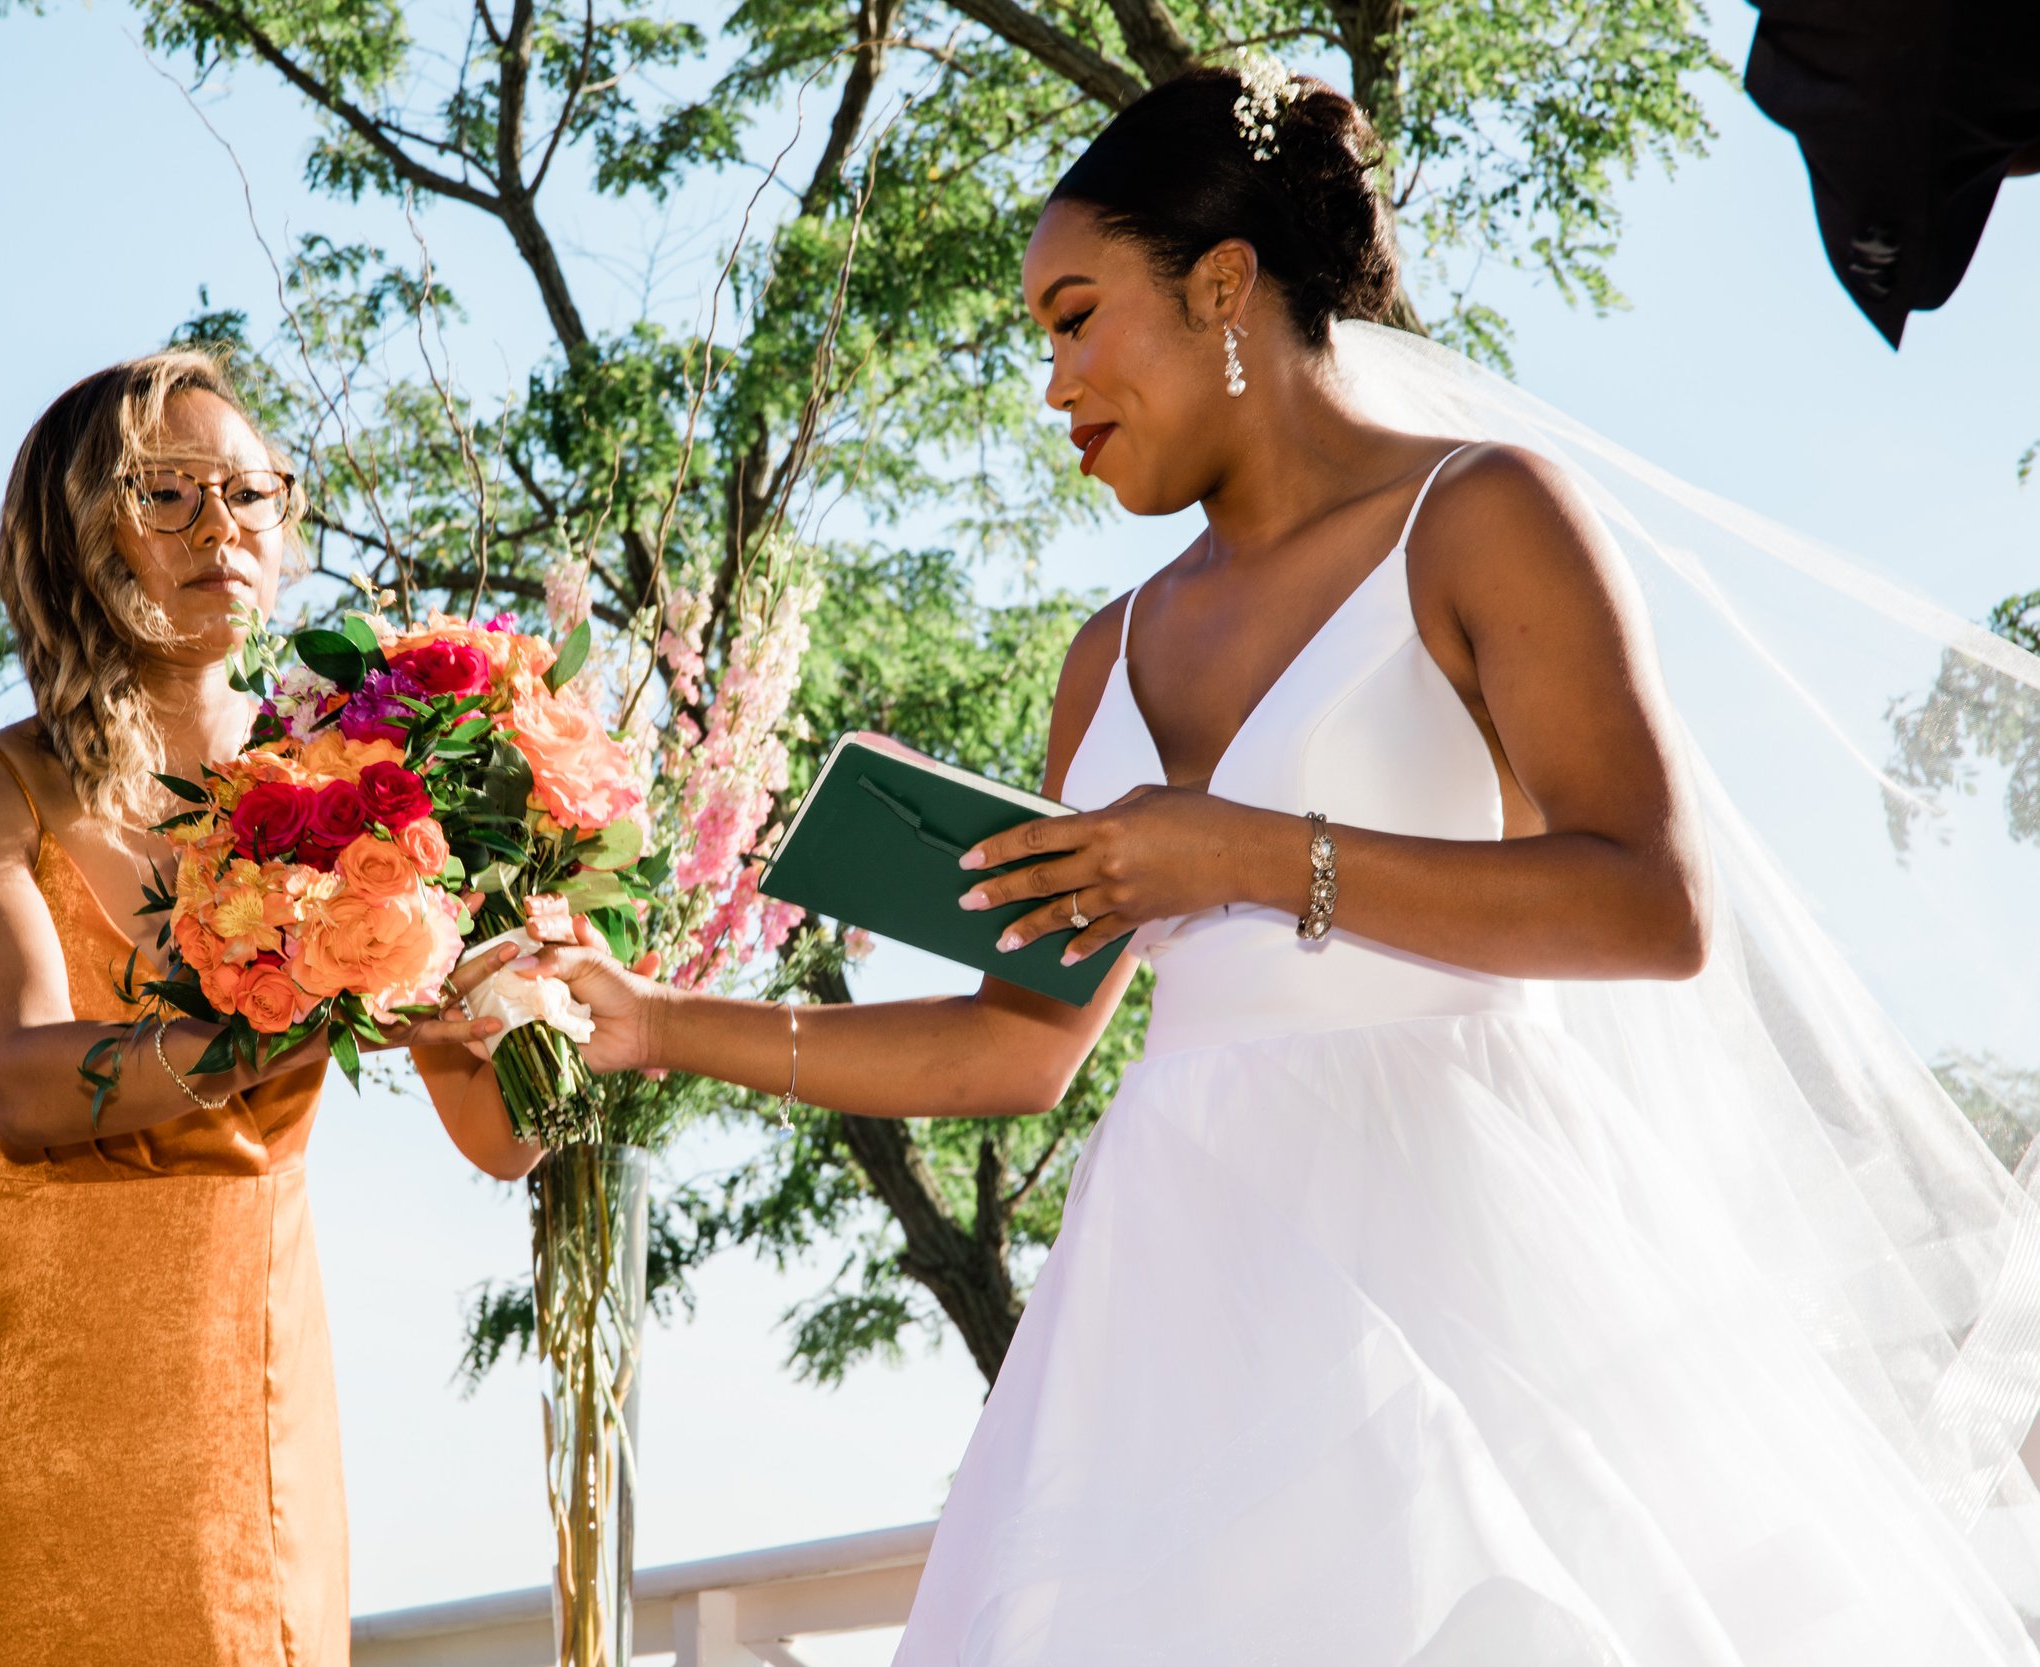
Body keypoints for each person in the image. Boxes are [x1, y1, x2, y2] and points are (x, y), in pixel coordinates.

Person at [517, 68, 2040, 1665]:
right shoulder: (1102, 656)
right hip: (1174, 1301)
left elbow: (1654, 904)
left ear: (1224, 284)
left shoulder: (1479, 516)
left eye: (1079, 315)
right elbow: (1018, 1044)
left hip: (1471, 1253)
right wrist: (655, 1021)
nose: (1056, 383)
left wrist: (1242, 852)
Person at [0, 352, 530, 1666]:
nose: (224, 526)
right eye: (170, 493)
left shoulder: (368, 799)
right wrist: (326, 995)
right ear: (78, 532)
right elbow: (30, 1089)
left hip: (232, 1421)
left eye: (252, 491)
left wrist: (524, 982)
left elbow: (505, 1140)